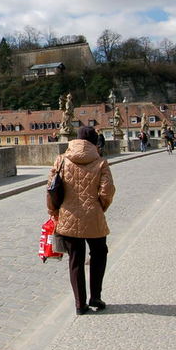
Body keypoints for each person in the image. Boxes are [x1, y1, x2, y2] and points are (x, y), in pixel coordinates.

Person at [47, 126, 115, 316]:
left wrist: (53, 212)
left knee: (75, 261)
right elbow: (107, 191)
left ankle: (80, 304)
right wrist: (100, 207)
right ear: (94, 142)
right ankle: (95, 297)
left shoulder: (61, 160)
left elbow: (51, 189)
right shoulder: (101, 162)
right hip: (94, 217)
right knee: (99, 254)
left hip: (68, 216)